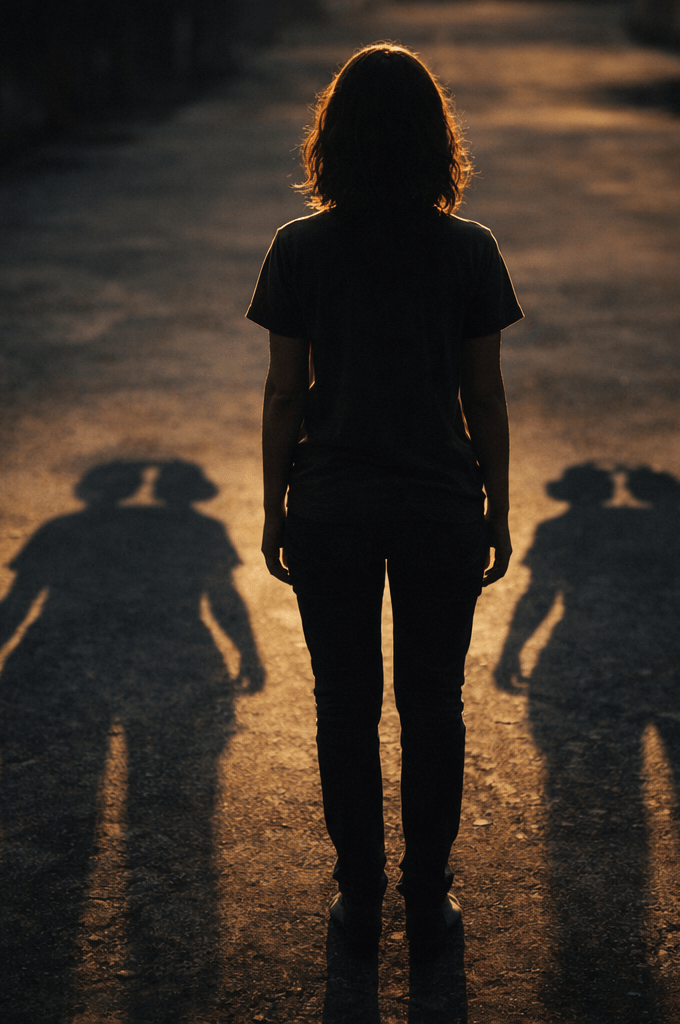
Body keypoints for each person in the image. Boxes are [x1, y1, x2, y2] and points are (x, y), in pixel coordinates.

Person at [246, 43, 522, 959]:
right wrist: (498, 508)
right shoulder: (470, 249)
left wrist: (274, 507)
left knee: (345, 705)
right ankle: (428, 901)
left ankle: (359, 899)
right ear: (436, 139)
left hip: (332, 504)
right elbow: (485, 397)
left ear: (334, 138)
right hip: (440, 503)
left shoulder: (298, 248)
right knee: (434, 705)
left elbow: (285, 394)